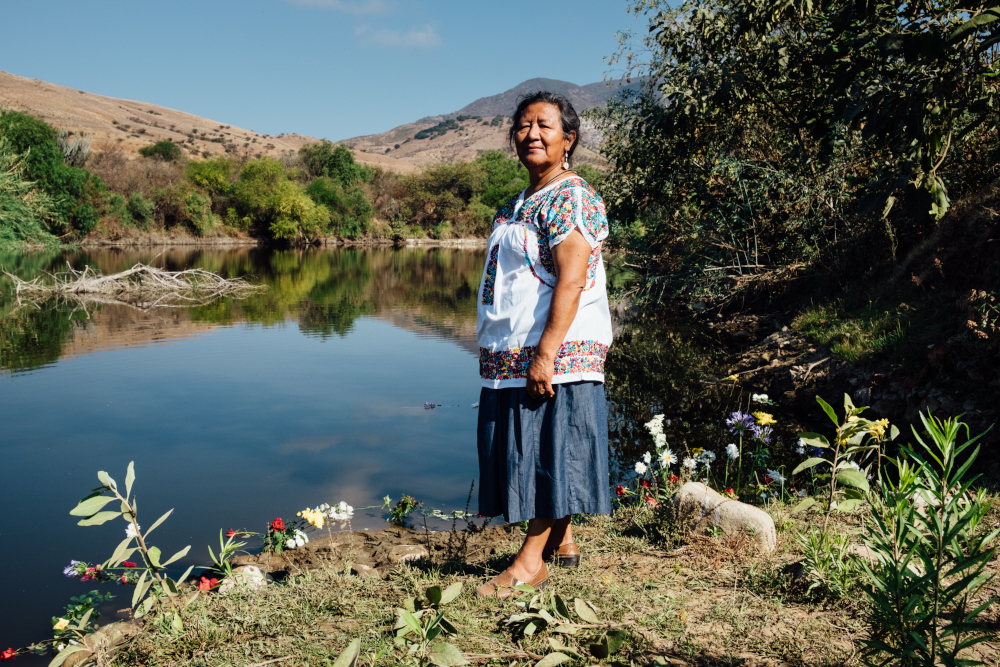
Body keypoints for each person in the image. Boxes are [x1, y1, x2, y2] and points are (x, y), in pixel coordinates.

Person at [474, 91, 613, 598]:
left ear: (568, 139)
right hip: (513, 352)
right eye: (523, 125)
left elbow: (573, 279)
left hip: (555, 351)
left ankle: (531, 562)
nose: (531, 134)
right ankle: (563, 541)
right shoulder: (518, 202)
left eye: (545, 126)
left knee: (552, 450)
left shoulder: (569, 196)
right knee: (543, 447)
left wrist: (547, 354)